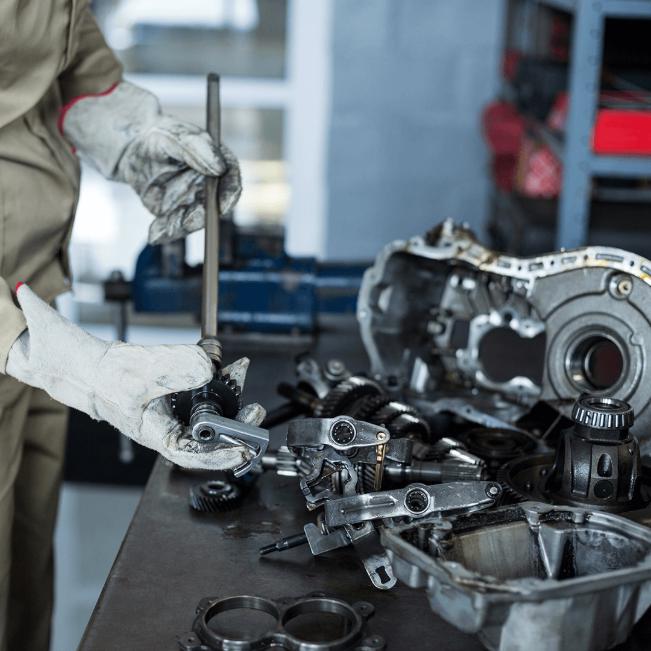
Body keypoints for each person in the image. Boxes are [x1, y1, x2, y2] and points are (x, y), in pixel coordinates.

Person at [0, 3, 262, 649]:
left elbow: (66, 66)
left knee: (21, 581)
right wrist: (49, 354)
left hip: (34, 300)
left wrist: (133, 137)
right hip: (20, 337)